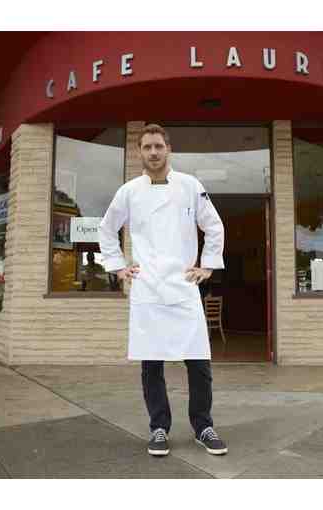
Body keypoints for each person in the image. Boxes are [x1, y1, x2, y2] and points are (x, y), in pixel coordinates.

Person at [99, 123, 228, 457]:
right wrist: (118, 266)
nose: (153, 152)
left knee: (198, 362)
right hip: (148, 288)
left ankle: (203, 426)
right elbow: (106, 228)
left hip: (183, 286)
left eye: (158, 146)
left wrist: (207, 265)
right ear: (139, 152)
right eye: (147, 147)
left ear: (168, 149)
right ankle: (158, 428)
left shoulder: (190, 186)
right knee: (151, 365)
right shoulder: (129, 191)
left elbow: (213, 226)